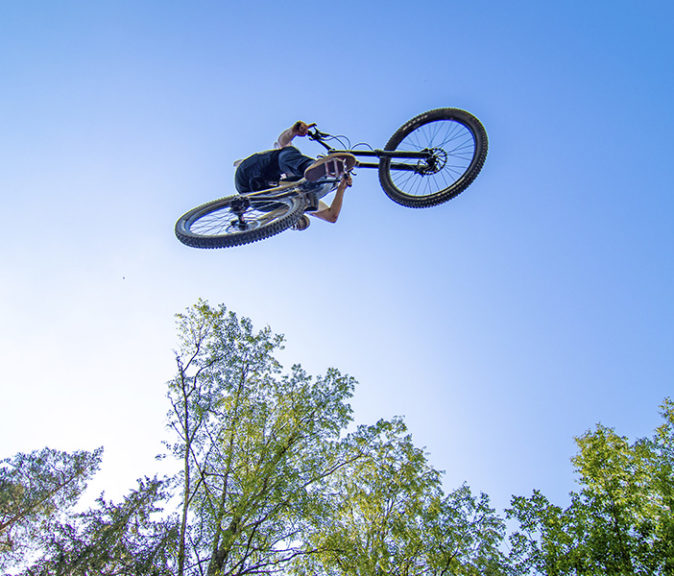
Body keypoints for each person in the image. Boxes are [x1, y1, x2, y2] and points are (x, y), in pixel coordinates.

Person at [234, 121, 355, 228]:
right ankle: (312, 168)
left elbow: (331, 216)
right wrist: (293, 132)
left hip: (259, 200)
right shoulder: (291, 159)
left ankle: (321, 178)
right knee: (287, 154)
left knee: (308, 196)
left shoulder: (304, 200)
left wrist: (341, 188)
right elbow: (283, 140)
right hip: (251, 172)